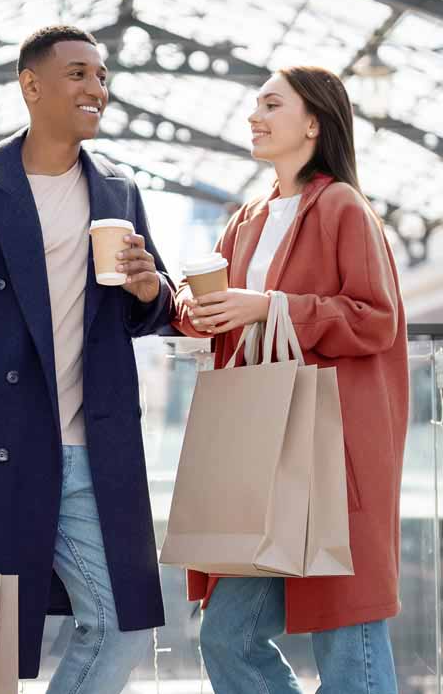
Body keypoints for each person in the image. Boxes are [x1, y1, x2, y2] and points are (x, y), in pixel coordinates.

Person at [0, 25, 175, 691]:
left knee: (124, 625)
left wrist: (148, 287)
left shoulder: (119, 190)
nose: (96, 89)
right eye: (78, 73)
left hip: (94, 451)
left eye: (102, 77)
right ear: (32, 85)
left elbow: (151, 306)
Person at [173, 66, 409, 694]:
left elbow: (376, 319)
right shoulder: (247, 219)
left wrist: (272, 305)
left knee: (348, 631)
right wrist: (184, 303)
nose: (255, 115)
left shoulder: (341, 206)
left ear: (313, 122)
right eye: (254, 104)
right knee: (227, 636)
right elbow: (223, 316)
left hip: (330, 454)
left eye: (271, 104)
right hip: (263, 454)